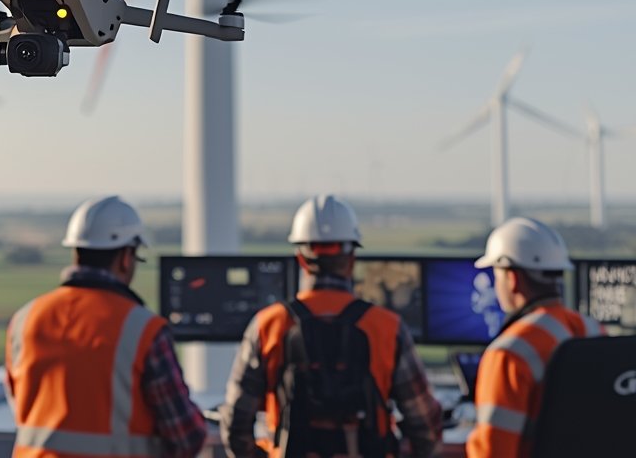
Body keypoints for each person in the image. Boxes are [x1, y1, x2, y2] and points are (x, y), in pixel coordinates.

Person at [219, 194, 443, 458]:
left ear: (301, 259)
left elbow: (235, 424)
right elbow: (425, 424)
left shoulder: (267, 326)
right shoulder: (387, 328)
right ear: (351, 260)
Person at [4, 195, 207, 457]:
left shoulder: (25, 319)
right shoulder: (143, 329)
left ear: (76, 251)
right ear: (125, 257)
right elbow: (187, 437)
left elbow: (22, 408)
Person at [465, 217, 601, 458]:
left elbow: (493, 451)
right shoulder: (594, 331)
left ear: (512, 278)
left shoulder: (509, 353)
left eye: (496, 275)